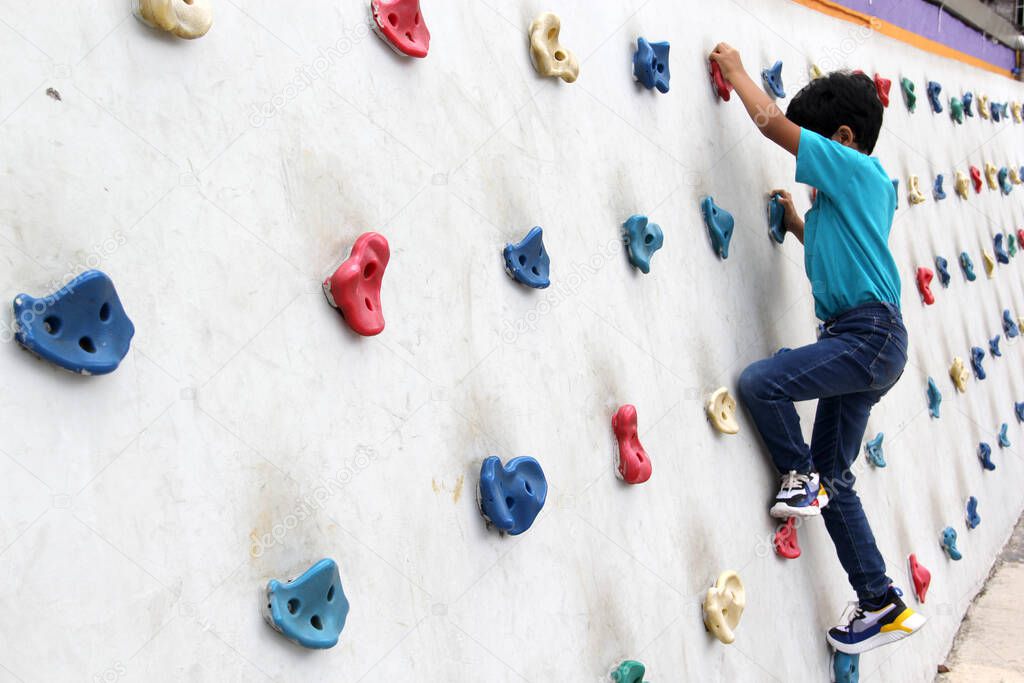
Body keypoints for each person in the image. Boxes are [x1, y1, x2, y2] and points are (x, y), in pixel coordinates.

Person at [709, 43, 925, 655]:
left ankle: (796, 475)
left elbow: (772, 124)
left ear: (845, 139)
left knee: (760, 383)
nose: (810, 163)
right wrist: (798, 224)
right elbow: (839, 262)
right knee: (837, 476)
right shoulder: (847, 200)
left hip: (867, 336)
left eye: (818, 143)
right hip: (868, 342)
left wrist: (737, 75)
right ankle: (880, 598)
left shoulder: (857, 172)